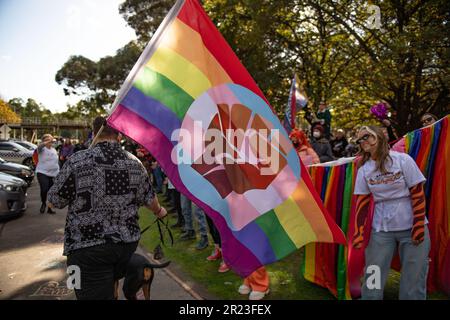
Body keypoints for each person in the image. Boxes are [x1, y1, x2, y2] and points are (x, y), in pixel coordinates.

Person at [47, 116, 167, 300]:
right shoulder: (135, 163)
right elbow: (150, 199)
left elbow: (54, 200)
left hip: (85, 249)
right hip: (125, 246)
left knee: (86, 292)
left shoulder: (77, 161)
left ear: (94, 133)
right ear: (118, 135)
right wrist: (159, 211)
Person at [352, 125, 430, 300]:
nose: (363, 141)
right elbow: (362, 202)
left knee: (414, 278)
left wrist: (418, 225)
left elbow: (417, 192)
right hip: (381, 229)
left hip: (412, 227)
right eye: (360, 139)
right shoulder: (364, 169)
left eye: (367, 136)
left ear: (380, 137)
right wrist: (358, 232)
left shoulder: (403, 160)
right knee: (373, 272)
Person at [36, 134, 60, 214]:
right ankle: (43, 203)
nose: (49, 141)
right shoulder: (41, 149)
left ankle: (50, 208)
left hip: (54, 174)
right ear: (43, 141)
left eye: (50, 140)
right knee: (44, 189)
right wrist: (49, 140)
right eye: (46, 140)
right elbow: (40, 146)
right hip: (42, 172)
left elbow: (56, 162)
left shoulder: (53, 149)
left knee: (52, 192)